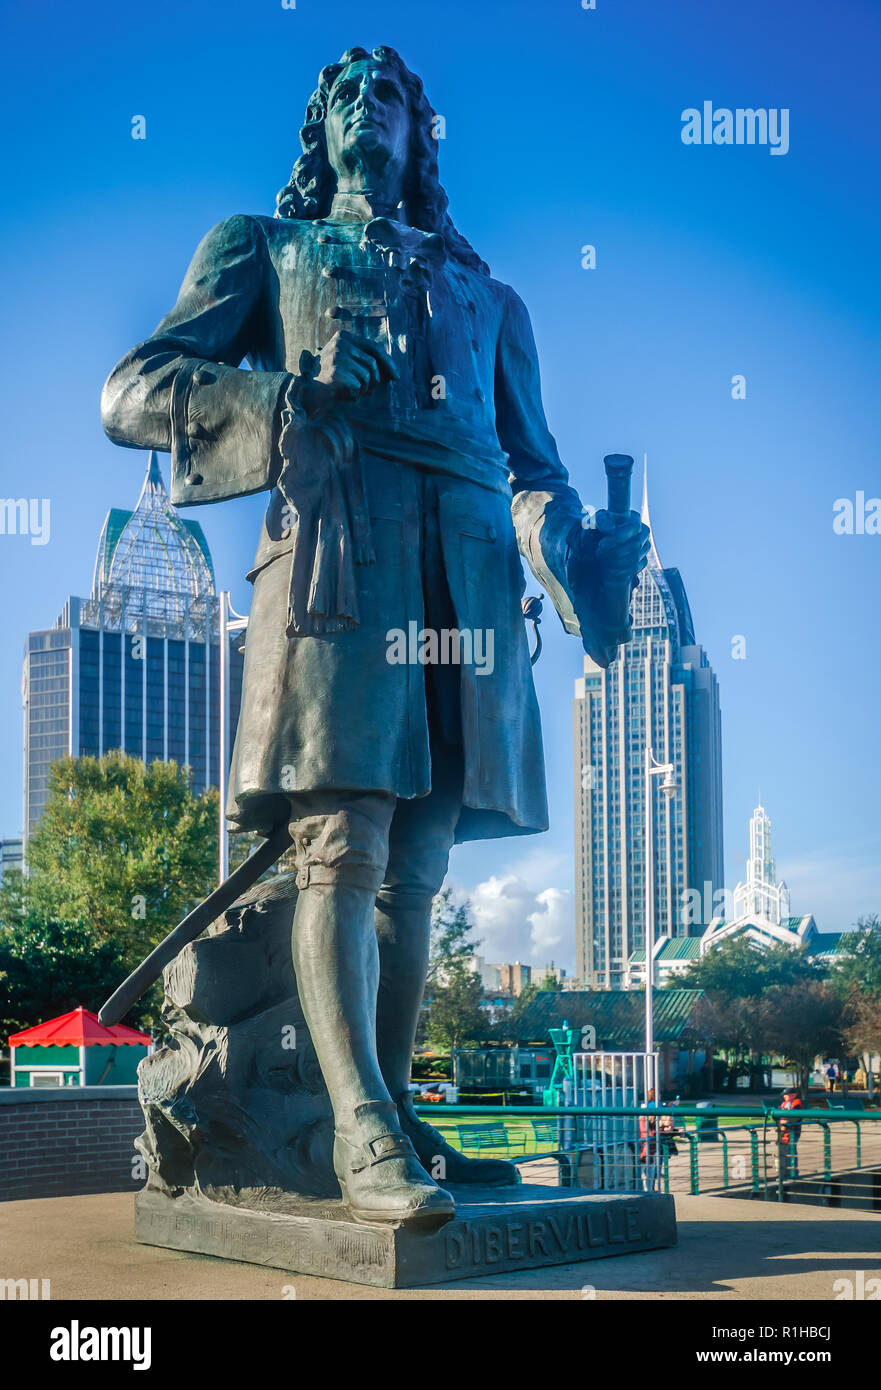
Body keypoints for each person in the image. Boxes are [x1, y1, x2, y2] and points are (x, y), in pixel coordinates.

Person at [102, 46, 648, 1228]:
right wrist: (284, 394)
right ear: (320, 131)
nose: (365, 110)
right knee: (340, 839)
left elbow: (534, 472)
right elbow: (132, 389)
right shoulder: (264, 246)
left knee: (421, 859)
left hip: (463, 577)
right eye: (342, 95)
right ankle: (357, 1131)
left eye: (386, 94)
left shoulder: (489, 299)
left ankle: (395, 1107)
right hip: (337, 560)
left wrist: (574, 556)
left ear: (420, 131)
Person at [779, 1087, 803, 1179]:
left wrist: (785, 1122)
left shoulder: (796, 1104)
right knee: (784, 1151)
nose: (785, 1096)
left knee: (791, 1150)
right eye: (784, 1095)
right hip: (784, 1132)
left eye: (787, 1094)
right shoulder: (784, 1104)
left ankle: (793, 1172)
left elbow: (795, 1117)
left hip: (793, 1131)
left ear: (793, 1095)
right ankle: (785, 1172)